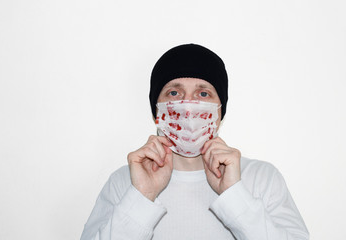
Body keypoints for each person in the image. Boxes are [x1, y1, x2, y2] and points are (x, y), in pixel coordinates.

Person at [80, 44, 309, 240]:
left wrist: (235, 195)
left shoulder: (261, 179)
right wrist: (141, 197)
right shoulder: (125, 181)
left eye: (203, 94)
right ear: (156, 111)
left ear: (220, 111)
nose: (188, 105)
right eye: (173, 93)